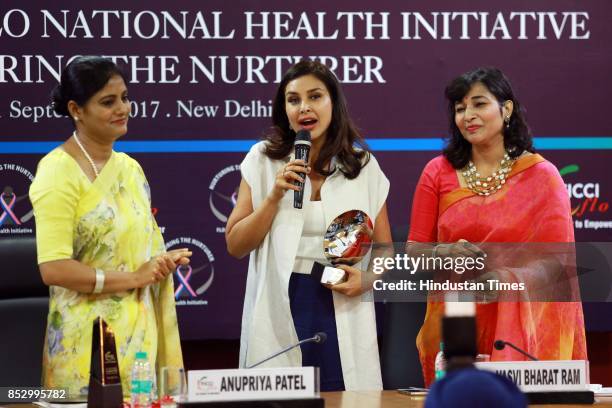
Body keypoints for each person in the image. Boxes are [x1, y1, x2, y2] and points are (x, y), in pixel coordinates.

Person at [407, 67, 587, 385]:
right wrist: (443, 251)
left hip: (524, 337)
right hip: (457, 321)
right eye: (460, 108)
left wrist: (503, 281)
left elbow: (559, 266)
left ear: (506, 109)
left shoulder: (542, 176)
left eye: (479, 104)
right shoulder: (437, 172)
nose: (468, 116)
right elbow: (413, 252)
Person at [29, 56, 191, 399]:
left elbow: (134, 251)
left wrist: (160, 262)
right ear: (76, 109)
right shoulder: (57, 172)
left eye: (125, 98)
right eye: (108, 102)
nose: (123, 108)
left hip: (140, 341)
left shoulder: (131, 169)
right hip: (85, 347)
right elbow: (53, 268)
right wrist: (134, 277)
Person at [226, 60, 392, 391]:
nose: (304, 107)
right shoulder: (263, 160)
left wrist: (369, 278)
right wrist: (273, 196)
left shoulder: (361, 166)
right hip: (282, 301)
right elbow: (235, 245)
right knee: (279, 395)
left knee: (344, 393)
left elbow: (386, 249)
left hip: (339, 300)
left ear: (334, 103)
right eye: (293, 99)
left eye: (315, 97)